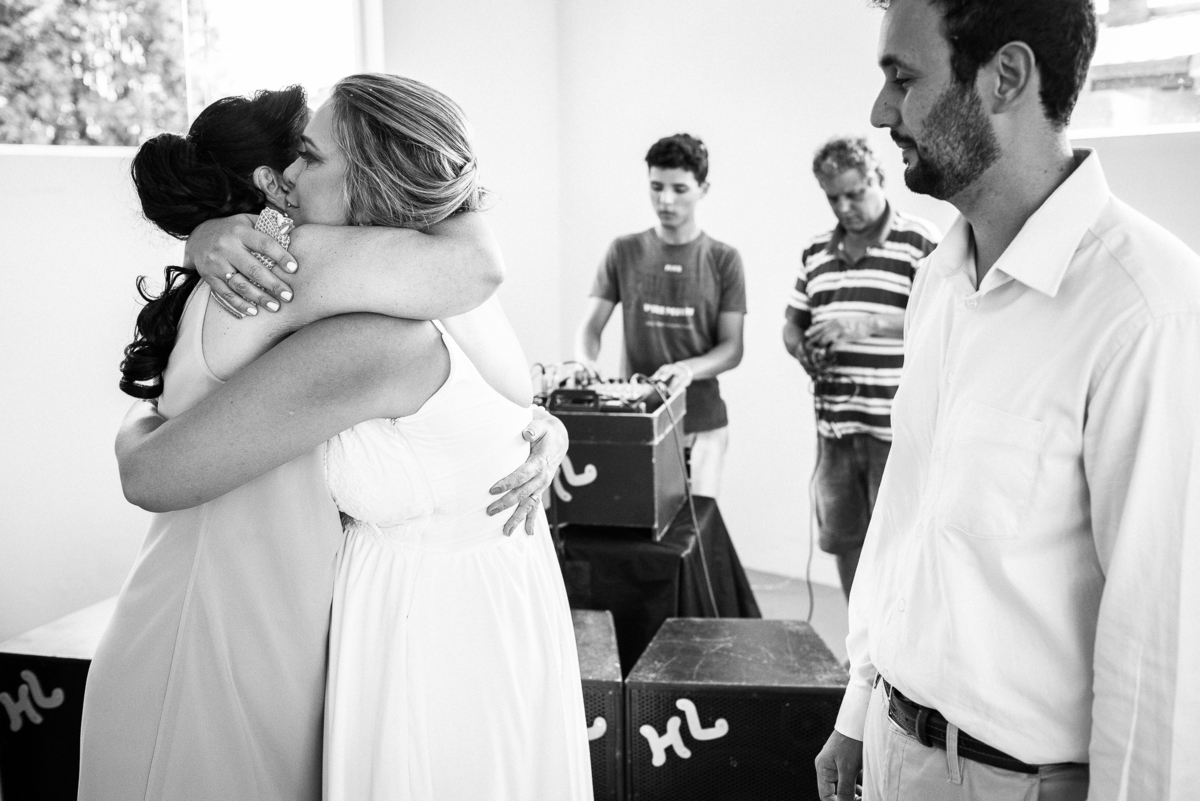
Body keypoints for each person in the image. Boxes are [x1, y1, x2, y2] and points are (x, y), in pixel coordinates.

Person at [80, 82, 575, 801]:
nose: (291, 177)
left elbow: (484, 381)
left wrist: (532, 425)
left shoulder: (377, 295)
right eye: (294, 158)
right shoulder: (288, 267)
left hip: (325, 623)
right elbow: (475, 263)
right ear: (264, 189)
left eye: (310, 157)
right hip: (220, 628)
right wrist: (142, 423)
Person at [815, 1, 1200, 800]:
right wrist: (859, 706)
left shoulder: (1146, 308)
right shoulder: (938, 280)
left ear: (1006, 76)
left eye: (902, 78)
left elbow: (1159, 652)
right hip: (892, 748)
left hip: (1015, 782)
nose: (880, 111)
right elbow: (905, 519)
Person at [782, 136, 938, 599]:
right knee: (844, 539)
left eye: (854, 194)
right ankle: (858, 630)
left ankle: (894, 638)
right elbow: (792, 324)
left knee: (902, 542)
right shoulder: (815, 251)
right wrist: (801, 349)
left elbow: (945, 322)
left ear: (879, 179)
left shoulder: (921, 242)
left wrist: (866, 323)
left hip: (899, 430)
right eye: (833, 198)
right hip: (836, 429)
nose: (844, 207)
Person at [575, 133, 746, 498]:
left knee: (695, 523)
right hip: (637, 417)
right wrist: (585, 361)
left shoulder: (723, 259)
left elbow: (732, 349)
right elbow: (590, 328)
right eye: (656, 187)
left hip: (701, 422)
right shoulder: (624, 250)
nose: (666, 200)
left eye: (679, 189)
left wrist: (687, 370)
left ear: (703, 189)